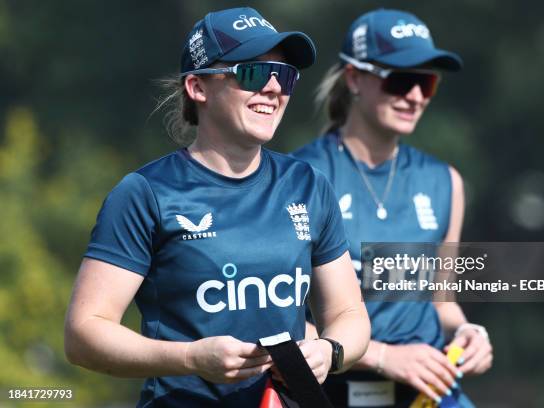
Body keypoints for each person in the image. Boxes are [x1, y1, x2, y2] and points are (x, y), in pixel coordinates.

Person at [64, 7, 370, 407]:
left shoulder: (308, 185)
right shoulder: (145, 193)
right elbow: (84, 334)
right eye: (254, 74)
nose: (274, 88)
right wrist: (190, 358)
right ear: (198, 87)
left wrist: (329, 352)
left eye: (286, 76)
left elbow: (350, 315)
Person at [293, 8, 492, 407]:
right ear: (354, 78)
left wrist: (470, 332)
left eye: (427, 83)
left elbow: (441, 302)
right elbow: (277, 318)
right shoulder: (300, 178)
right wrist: (382, 356)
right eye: (401, 80)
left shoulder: (445, 181)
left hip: (429, 395)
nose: (416, 96)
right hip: (329, 394)